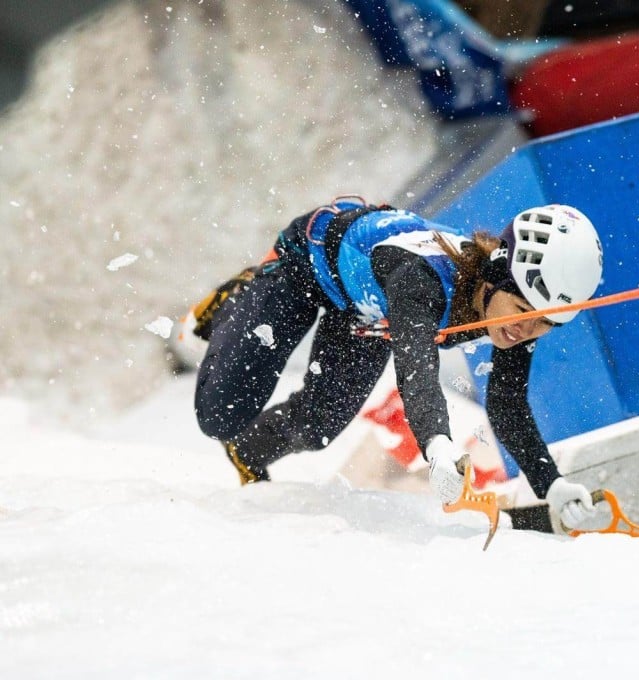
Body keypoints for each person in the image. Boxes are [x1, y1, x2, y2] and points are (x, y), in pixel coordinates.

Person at [184, 195, 605, 530]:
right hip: (305, 268)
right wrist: (437, 444)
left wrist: (551, 485)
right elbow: (417, 371)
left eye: (544, 324)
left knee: (316, 428)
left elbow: (508, 405)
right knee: (219, 416)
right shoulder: (419, 278)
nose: (524, 332)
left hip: (365, 312)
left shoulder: (513, 315)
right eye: (521, 310)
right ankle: (239, 294)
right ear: (496, 275)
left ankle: (246, 452)